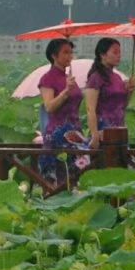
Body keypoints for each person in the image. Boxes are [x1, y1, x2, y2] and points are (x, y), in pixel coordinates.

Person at [37, 38, 87, 185]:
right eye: (65, 52)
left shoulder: (69, 78)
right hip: (58, 135)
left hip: (76, 133)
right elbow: (49, 107)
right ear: (54, 55)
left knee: (79, 175)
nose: (69, 56)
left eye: (71, 52)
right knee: (59, 178)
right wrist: (66, 92)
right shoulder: (47, 78)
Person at [84, 37, 135, 149]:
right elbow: (90, 109)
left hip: (120, 128)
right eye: (115, 52)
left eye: (120, 52)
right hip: (103, 129)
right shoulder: (95, 78)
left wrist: (130, 91)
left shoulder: (117, 77)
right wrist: (95, 135)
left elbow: (123, 105)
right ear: (102, 55)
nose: (119, 55)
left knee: (121, 164)